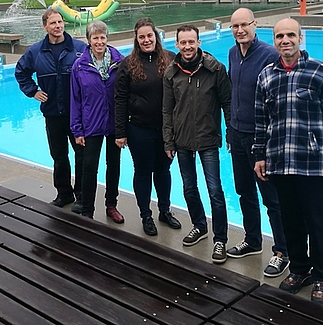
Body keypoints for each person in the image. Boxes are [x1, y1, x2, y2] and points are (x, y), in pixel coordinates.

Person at [253, 18, 323, 306]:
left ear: (300, 37)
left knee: (317, 222)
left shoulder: (321, 72)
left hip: (312, 164)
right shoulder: (267, 76)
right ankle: (299, 269)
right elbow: (262, 121)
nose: (285, 40)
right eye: (279, 36)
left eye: (290, 35)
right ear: (274, 40)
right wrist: (260, 155)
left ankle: (322, 277)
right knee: (290, 221)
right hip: (280, 163)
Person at [226, 8, 289, 278]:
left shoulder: (269, 55)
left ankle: (282, 251)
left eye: (244, 25)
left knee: (271, 198)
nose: (240, 30)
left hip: (260, 139)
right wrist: (230, 130)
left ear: (255, 25)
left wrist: (267, 143)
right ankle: (252, 240)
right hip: (237, 135)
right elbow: (232, 96)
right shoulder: (231, 53)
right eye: (235, 26)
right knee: (244, 192)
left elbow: (279, 102)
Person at [162, 24, 231, 264]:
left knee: (215, 190)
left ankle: (220, 239)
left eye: (192, 42)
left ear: (199, 42)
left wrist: (230, 132)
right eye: (183, 42)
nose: (188, 46)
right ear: (177, 44)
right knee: (189, 188)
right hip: (181, 141)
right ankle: (199, 226)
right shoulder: (171, 73)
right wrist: (168, 140)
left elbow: (227, 103)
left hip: (207, 139)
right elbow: (167, 110)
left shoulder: (215, 69)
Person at [114, 18, 181, 236]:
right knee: (143, 172)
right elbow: (120, 99)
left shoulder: (170, 59)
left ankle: (164, 210)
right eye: (141, 37)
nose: (146, 40)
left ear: (156, 36)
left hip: (166, 130)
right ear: (136, 39)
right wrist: (121, 132)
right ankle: (146, 215)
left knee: (163, 171)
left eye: (149, 35)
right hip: (139, 130)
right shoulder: (127, 64)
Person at [15, 7, 86, 211]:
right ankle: (64, 194)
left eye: (60, 22)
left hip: (76, 115)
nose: (58, 26)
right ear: (45, 26)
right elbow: (21, 72)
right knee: (59, 156)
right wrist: (33, 91)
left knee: (81, 155)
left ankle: (81, 195)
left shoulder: (79, 48)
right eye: (53, 23)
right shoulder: (36, 51)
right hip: (53, 113)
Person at [70, 21, 125, 223]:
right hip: (90, 124)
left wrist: (124, 125)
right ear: (89, 40)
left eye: (103, 37)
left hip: (113, 125)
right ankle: (87, 210)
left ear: (107, 39)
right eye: (95, 38)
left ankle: (111, 205)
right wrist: (77, 130)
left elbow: (126, 95)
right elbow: (75, 100)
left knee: (114, 165)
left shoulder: (120, 62)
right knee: (89, 167)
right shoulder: (80, 66)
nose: (99, 41)